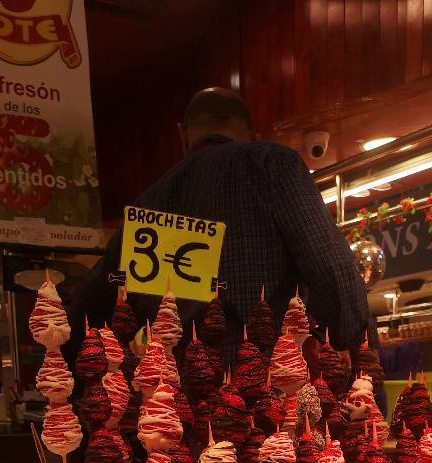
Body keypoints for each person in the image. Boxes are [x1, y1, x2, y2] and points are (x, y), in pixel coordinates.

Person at [71, 87, 368, 354]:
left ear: (182, 135)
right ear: (254, 136)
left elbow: (91, 306)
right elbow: (333, 270)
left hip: (168, 397)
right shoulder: (273, 165)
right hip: (268, 385)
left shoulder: (150, 201)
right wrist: (344, 338)